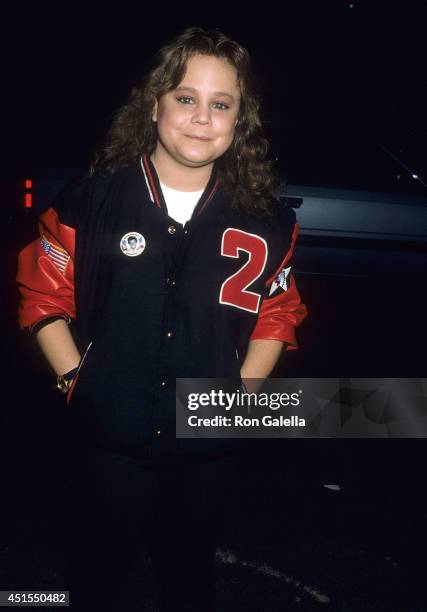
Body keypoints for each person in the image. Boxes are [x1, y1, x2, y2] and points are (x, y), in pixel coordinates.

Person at [16, 26, 308, 612]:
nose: (202, 117)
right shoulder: (90, 200)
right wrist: (78, 381)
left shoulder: (267, 220)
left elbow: (278, 312)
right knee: (95, 580)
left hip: (205, 440)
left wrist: (241, 398)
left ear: (237, 120)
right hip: (107, 439)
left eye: (220, 104)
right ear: (154, 106)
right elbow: (40, 298)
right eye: (185, 98)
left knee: (190, 581)